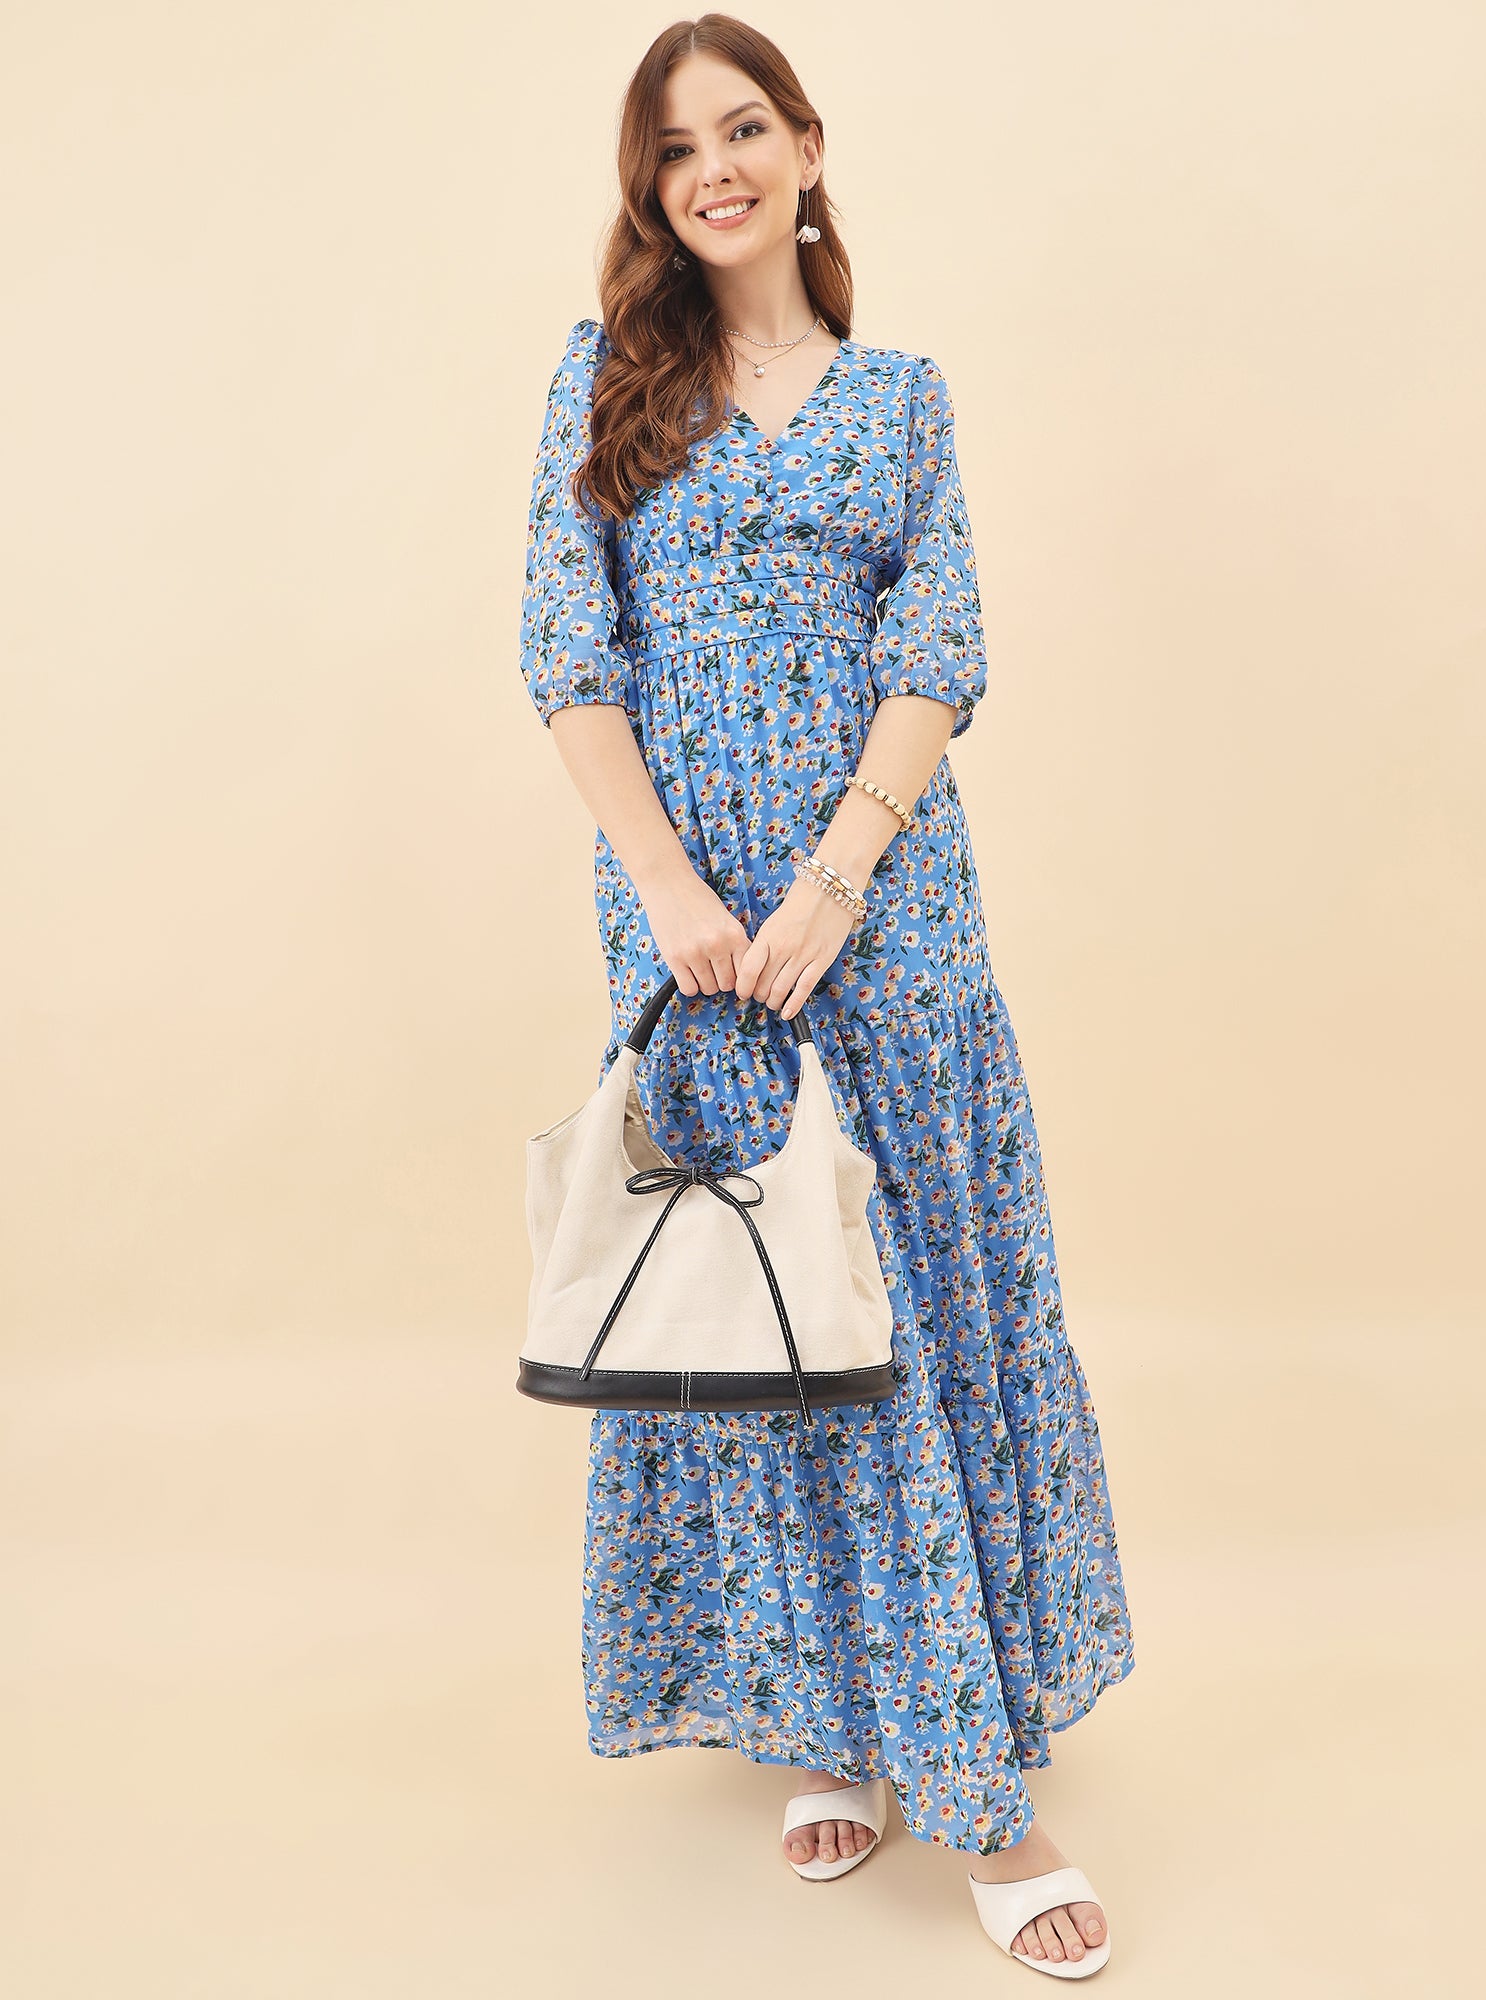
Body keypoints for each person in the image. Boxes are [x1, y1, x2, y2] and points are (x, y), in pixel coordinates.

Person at [516, 13, 1135, 1977]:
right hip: (692, 930)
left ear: (804, 146)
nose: (717, 165)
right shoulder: (607, 380)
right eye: (679, 143)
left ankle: (981, 1780)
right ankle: (827, 1717)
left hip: (889, 920)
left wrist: (840, 871)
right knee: (760, 1308)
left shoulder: (902, 398)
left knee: (906, 1297)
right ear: (653, 182)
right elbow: (563, 648)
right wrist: (680, 893)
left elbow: (943, 637)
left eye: (747, 126)